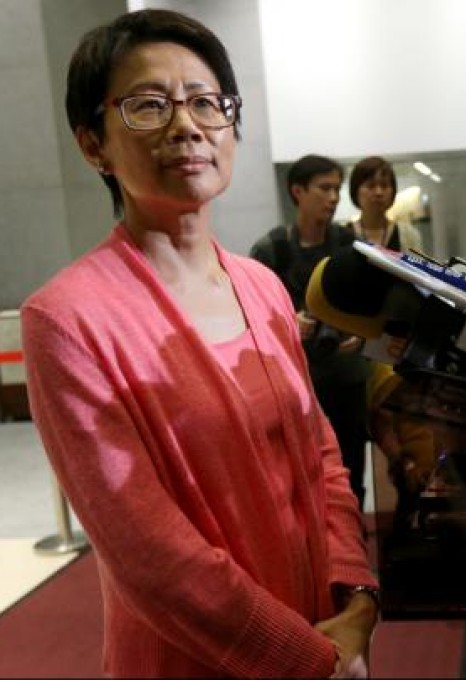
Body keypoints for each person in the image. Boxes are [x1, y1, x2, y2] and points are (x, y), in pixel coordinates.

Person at [21, 10, 376, 677]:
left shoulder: (263, 287)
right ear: (94, 145)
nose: (186, 125)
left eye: (206, 102)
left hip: (324, 630)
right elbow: (149, 554)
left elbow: (320, 455)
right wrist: (308, 660)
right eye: (149, 105)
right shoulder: (68, 319)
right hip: (195, 657)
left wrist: (356, 597)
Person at [250, 155, 373, 509]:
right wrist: (288, 323)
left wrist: (361, 334)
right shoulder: (271, 250)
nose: (333, 198)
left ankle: (352, 539)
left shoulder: (350, 245)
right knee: (299, 480)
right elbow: (251, 320)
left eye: (337, 189)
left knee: (350, 477)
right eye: (324, 188)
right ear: (298, 191)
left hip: (347, 379)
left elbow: (372, 307)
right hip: (296, 384)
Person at [347, 156, 423, 253]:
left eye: (384, 185)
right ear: (355, 192)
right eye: (371, 186)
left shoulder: (409, 235)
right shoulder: (343, 235)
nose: (379, 192)